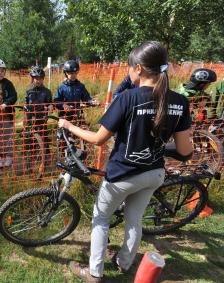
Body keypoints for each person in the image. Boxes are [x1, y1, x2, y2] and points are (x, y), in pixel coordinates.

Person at [61, 41, 193, 282]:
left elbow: (99, 140)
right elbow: (186, 151)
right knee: (135, 219)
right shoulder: (180, 102)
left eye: (129, 67)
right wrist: (160, 146)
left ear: (139, 68)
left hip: (122, 174)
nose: (128, 71)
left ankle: (94, 273)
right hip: (154, 174)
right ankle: (124, 263)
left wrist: (69, 126)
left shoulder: (128, 98)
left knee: (101, 218)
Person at [54, 60, 99, 124]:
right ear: (66, 73)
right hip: (64, 115)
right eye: (71, 73)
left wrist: (92, 101)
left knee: (81, 131)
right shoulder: (61, 87)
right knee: (64, 133)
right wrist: (63, 105)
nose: (74, 75)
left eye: (75, 73)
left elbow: (86, 98)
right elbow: (56, 101)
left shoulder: (80, 86)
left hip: (77, 114)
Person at [25, 65, 53, 166]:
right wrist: (25, 108)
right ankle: (28, 157)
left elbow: (50, 103)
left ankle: (47, 157)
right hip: (30, 118)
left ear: (43, 79)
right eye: (36, 78)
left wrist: (50, 106)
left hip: (42, 117)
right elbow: (26, 102)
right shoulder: (28, 90)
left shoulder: (47, 92)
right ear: (32, 78)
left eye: (40, 78)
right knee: (28, 137)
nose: (38, 81)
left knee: (44, 137)